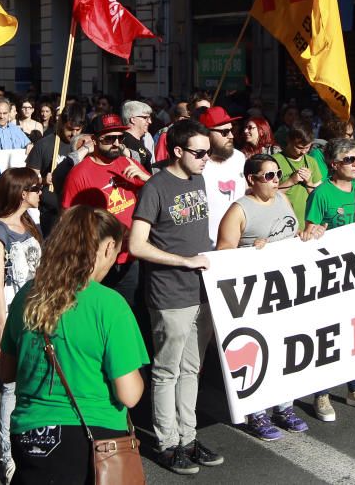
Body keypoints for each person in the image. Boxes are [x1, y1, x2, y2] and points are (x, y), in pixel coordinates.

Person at [0, 205, 148, 485]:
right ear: (108, 248)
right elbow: (129, 394)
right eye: (116, 253)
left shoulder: (27, 296)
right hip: (93, 438)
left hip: (30, 434)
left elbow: (6, 372)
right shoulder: (109, 304)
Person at [128, 118, 224, 476]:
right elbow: (137, 244)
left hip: (201, 291)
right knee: (167, 371)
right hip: (169, 293)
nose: (205, 159)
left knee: (192, 370)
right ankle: (167, 442)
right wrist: (184, 261)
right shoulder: (155, 187)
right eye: (199, 153)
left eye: (208, 152)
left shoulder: (197, 178)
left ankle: (188, 436)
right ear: (178, 151)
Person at [216, 153, 308, 440]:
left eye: (277, 174)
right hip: (255, 294)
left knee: (286, 348)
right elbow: (223, 253)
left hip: (288, 287)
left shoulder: (283, 199)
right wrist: (251, 254)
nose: (276, 180)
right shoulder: (239, 210)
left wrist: (307, 235)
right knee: (259, 350)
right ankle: (256, 411)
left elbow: (295, 233)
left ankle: (285, 407)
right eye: (268, 176)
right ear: (251, 180)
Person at [300, 137, 355, 420]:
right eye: (349, 160)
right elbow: (309, 231)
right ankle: (321, 394)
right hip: (330, 278)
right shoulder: (322, 193)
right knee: (329, 336)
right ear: (334, 164)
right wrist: (314, 232)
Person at [0, 168, 44, 484]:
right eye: (36, 188)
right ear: (22, 193)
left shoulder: (31, 223)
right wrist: (1, 326)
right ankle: (8, 455)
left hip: (38, 310)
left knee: (36, 378)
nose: (40, 192)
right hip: (13, 314)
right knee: (11, 386)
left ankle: (33, 446)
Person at [61, 113, 150, 305]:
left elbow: (157, 196)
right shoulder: (79, 174)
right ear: (94, 140)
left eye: (120, 138)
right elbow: (68, 220)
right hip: (98, 261)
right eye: (109, 139)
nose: (116, 143)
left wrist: (147, 180)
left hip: (130, 257)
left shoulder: (127, 162)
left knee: (132, 314)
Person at [25, 103, 86, 236]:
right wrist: (43, 180)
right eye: (70, 129)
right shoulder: (44, 145)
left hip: (78, 211)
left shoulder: (85, 146)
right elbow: (27, 180)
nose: (74, 134)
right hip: (51, 212)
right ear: (62, 123)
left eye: (78, 129)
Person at [199, 106, 246, 246]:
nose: (231, 136)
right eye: (225, 132)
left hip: (238, 243)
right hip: (206, 246)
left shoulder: (239, 157)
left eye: (232, 130)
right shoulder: (196, 164)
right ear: (207, 134)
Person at [274, 126, 323, 226]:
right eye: (299, 147)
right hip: (284, 223)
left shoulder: (311, 161)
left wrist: (309, 182)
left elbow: (320, 197)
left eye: (307, 148)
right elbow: (269, 195)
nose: (303, 152)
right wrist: (291, 181)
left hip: (308, 223)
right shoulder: (274, 161)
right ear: (289, 140)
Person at [120, 100, 155, 170]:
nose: (150, 121)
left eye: (150, 118)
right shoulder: (126, 141)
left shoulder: (139, 139)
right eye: (145, 118)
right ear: (133, 120)